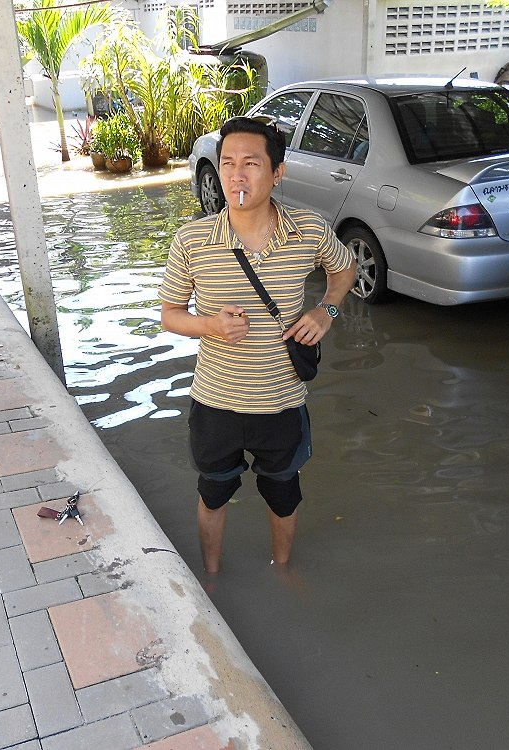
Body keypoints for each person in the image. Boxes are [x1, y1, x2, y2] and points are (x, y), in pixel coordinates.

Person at [159, 116, 356, 574]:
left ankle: (282, 571)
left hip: (281, 402)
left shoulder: (307, 229)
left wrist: (326, 310)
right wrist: (210, 324)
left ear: (278, 172)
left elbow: (344, 271)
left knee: (284, 498)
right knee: (212, 496)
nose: (236, 175)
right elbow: (170, 315)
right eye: (228, 163)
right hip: (215, 402)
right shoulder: (192, 240)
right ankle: (211, 577)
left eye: (251, 163)